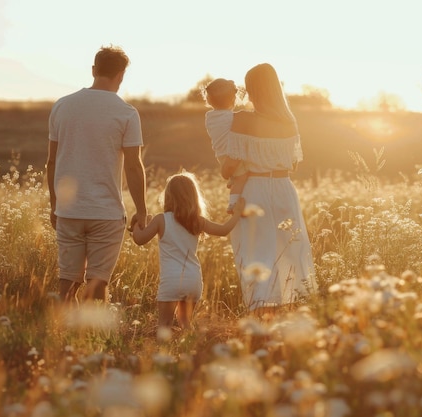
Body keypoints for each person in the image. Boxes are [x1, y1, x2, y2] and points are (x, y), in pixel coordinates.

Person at [47, 45, 147, 304]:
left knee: (67, 282)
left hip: (68, 211)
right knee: (97, 284)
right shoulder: (127, 113)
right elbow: (134, 165)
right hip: (106, 213)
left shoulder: (62, 106)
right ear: (122, 75)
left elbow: (51, 162)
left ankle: (60, 335)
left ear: (94, 70)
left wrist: (54, 205)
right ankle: (90, 338)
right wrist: (142, 210)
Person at [221, 63, 317, 316]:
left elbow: (229, 166)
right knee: (289, 252)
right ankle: (291, 312)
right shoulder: (289, 123)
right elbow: (294, 165)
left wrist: (232, 169)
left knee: (256, 252)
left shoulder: (242, 120)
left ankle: (260, 314)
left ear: (252, 90)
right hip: (285, 188)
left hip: (256, 189)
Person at [132, 172, 245, 330]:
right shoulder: (197, 221)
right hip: (192, 280)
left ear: (168, 196)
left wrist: (136, 224)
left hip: (171, 280)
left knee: (164, 325)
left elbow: (139, 239)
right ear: (193, 196)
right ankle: (189, 351)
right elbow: (223, 230)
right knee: (185, 323)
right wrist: (237, 213)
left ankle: (164, 354)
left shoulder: (161, 219)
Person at [203, 78, 248, 213]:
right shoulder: (234, 118)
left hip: (221, 154)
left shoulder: (209, 117)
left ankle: (232, 179)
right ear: (233, 99)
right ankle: (233, 204)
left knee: (236, 176)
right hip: (231, 154)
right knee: (242, 178)